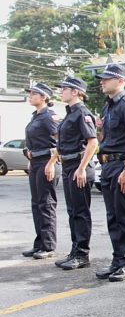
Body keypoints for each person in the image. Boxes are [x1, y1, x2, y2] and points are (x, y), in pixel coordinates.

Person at [91, 63, 125, 281]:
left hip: (122, 165)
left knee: (124, 217)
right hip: (108, 165)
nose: (102, 81)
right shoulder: (108, 106)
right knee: (113, 217)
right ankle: (117, 260)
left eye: (107, 78)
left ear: (121, 81)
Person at [53, 76, 99, 270]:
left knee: (80, 211)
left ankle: (82, 254)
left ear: (75, 92)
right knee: (73, 211)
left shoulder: (81, 113)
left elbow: (92, 142)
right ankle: (75, 250)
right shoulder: (70, 113)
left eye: (64, 89)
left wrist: (81, 168)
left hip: (78, 166)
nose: (61, 91)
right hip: (68, 164)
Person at [21, 83, 60, 259]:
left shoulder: (48, 116)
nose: (30, 96)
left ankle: (48, 245)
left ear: (44, 97)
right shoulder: (35, 116)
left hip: (46, 161)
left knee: (46, 203)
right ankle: (40, 243)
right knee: (36, 203)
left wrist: (51, 163)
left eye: (34, 94)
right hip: (36, 161)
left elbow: (60, 142)